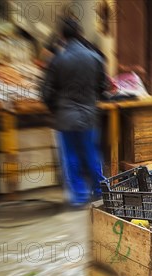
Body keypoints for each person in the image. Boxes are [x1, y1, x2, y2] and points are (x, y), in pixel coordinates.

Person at [42, 17, 108, 207]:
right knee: (92, 153)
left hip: (65, 117)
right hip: (89, 115)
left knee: (70, 155)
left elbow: (46, 92)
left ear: (62, 36)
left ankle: (79, 196)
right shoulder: (95, 58)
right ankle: (99, 190)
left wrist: (56, 109)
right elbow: (102, 87)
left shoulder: (57, 60)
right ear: (80, 34)